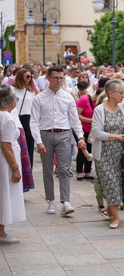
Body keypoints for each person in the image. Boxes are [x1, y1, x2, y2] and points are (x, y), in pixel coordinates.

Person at [30, 66, 88, 216]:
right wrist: (38, 141)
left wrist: (80, 137)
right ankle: (51, 200)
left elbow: (75, 120)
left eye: (61, 78)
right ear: (48, 78)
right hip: (46, 135)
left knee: (64, 169)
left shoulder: (68, 97)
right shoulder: (39, 98)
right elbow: (34, 121)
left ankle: (65, 201)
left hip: (63, 134)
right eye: (55, 78)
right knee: (47, 170)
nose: (59, 81)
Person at [90, 80, 124, 229]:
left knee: (120, 183)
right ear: (111, 94)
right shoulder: (99, 110)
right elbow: (96, 132)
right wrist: (117, 136)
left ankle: (110, 210)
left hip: (121, 153)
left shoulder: (123, 108)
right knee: (110, 184)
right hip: (104, 154)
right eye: (121, 92)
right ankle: (116, 218)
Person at [0, 85, 25, 244]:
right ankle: (1, 231)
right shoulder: (7, 118)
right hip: (5, 162)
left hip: (4, 159)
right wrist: (15, 168)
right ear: (12, 103)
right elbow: (6, 145)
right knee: (4, 193)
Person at [11, 68, 37, 163]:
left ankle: (28, 169)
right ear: (20, 77)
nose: (29, 79)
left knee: (28, 145)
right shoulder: (11, 89)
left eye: (31, 77)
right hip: (15, 118)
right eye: (27, 76)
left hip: (28, 119)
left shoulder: (31, 91)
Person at [75, 82, 96, 180]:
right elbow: (77, 115)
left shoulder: (100, 102)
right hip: (83, 129)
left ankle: (87, 171)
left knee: (91, 149)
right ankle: (79, 171)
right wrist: (90, 120)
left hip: (93, 130)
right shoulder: (84, 99)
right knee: (82, 149)